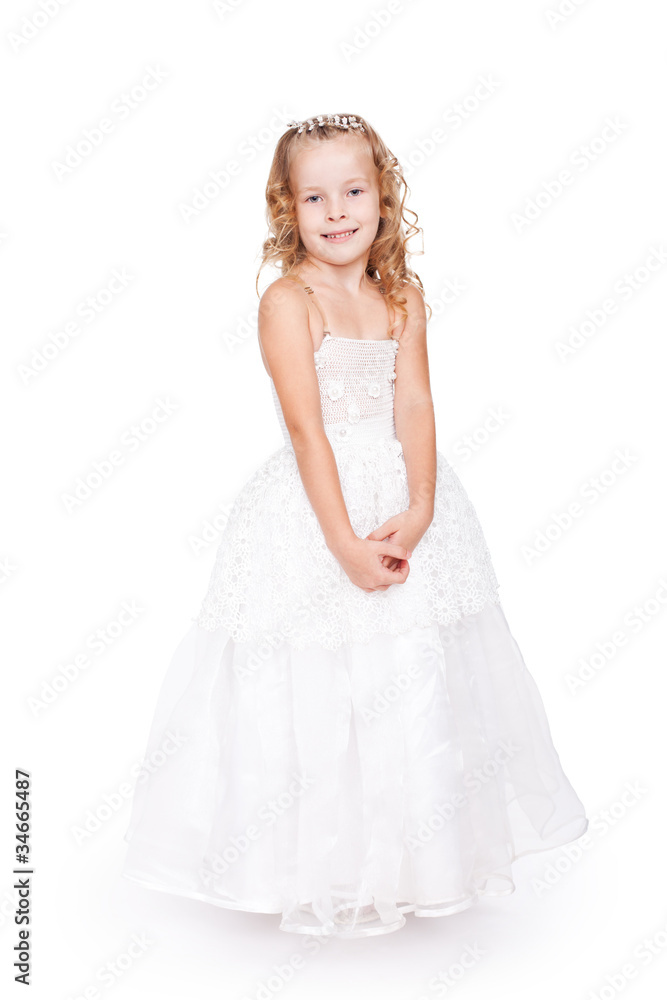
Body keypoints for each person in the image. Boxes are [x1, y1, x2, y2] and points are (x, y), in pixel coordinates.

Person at [121, 112, 589, 939]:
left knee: (408, 671)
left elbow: (413, 401)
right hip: (319, 505)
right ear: (286, 209)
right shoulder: (288, 300)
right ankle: (322, 861)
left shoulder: (400, 296)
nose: (336, 211)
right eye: (313, 196)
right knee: (317, 671)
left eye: (353, 190)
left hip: (397, 499)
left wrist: (419, 509)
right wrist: (341, 541)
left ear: (383, 196)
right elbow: (306, 430)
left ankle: (412, 857)